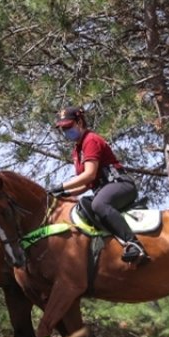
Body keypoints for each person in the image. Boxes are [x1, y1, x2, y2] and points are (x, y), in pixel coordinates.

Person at [47, 106, 148, 264]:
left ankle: (134, 243)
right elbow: (87, 184)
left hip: (120, 184)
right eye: (62, 129)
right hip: (103, 188)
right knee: (83, 205)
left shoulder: (91, 140)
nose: (65, 132)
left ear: (79, 122)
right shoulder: (76, 150)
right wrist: (66, 194)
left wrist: (61, 186)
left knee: (99, 204)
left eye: (68, 127)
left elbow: (89, 174)